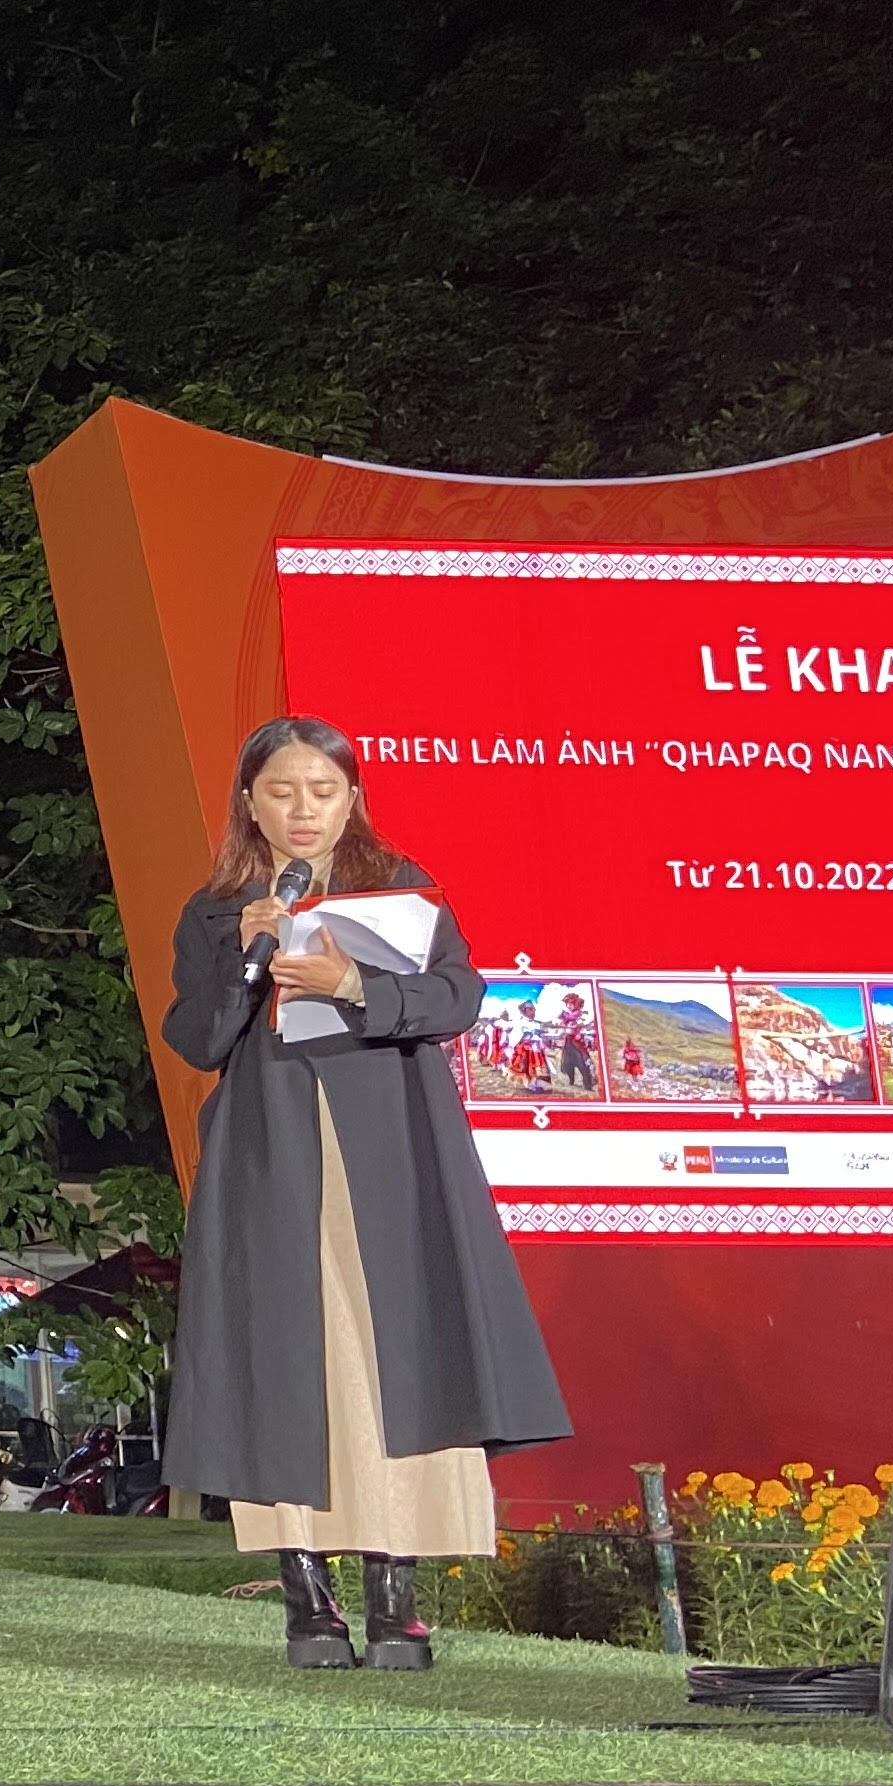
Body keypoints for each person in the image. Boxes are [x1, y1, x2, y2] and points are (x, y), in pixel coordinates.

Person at [161, 715, 569, 1670]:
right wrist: (246, 965)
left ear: (352, 799)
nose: (302, 811)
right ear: (250, 803)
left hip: (394, 1151)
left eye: (322, 791)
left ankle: (397, 1603)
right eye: (281, 792)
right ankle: (308, 1603)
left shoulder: (402, 891)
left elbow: (459, 998)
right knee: (287, 1359)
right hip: (270, 1155)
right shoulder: (216, 911)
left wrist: (354, 984)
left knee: (396, 1359)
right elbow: (197, 1040)